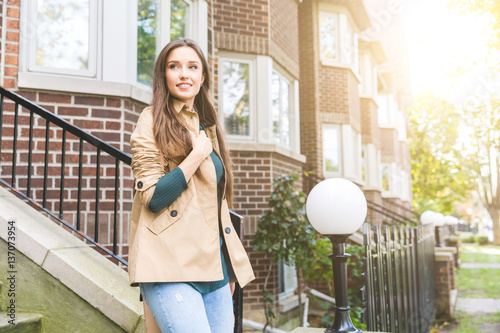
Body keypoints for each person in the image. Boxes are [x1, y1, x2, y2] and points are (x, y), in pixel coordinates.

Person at [128, 38, 255, 332]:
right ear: (164, 76)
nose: (184, 73)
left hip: (215, 272)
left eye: (192, 67)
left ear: (202, 78)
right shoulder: (151, 120)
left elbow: (216, 206)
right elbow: (154, 197)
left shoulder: (207, 126)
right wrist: (196, 155)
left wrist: (228, 268)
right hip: (169, 265)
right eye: (174, 66)